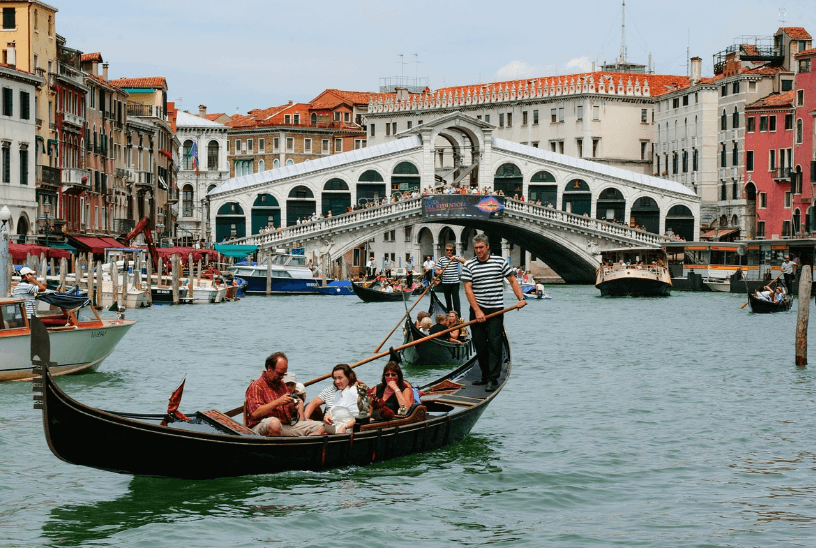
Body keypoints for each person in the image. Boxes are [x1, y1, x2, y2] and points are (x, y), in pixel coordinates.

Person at [462, 234, 527, 392]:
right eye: (476, 248)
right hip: (477, 309)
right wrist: (477, 311)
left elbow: (512, 280)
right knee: (480, 344)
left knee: (494, 344)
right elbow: (468, 290)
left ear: (487, 246)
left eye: (481, 248)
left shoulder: (500, 262)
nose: (478, 251)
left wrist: (521, 298)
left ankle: (492, 378)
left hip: (496, 309)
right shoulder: (469, 265)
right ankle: (484, 375)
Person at [245, 352, 325, 436]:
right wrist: (278, 402)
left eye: (284, 374)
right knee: (274, 423)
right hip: (261, 426)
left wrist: (294, 404)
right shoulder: (257, 386)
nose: (282, 377)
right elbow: (255, 413)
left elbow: (289, 411)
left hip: (284, 425)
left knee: (320, 427)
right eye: (279, 374)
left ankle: (303, 446)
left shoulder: (282, 384)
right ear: (269, 368)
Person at [304, 364, 359, 434]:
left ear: (349, 377)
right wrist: (328, 416)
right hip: (334, 426)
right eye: (335, 378)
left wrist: (344, 426)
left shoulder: (354, 393)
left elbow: (359, 417)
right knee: (308, 425)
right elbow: (332, 410)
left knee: (310, 426)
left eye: (340, 378)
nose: (337, 381)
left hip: (344, 430)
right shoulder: (339, 393)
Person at [435, 244, 466, 314]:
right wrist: (439, 272)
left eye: (450, 250)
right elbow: (437, 271)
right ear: (445, 250)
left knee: (456, 301)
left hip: (455, 283)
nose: (449, 251)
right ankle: (450, 316)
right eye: (447, 250)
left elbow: (465, 261)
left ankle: (458, 317)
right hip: (445, 283)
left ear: (453, 250)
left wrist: (455, 258)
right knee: (448, 301)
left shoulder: (456, 258)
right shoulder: (441, 259)